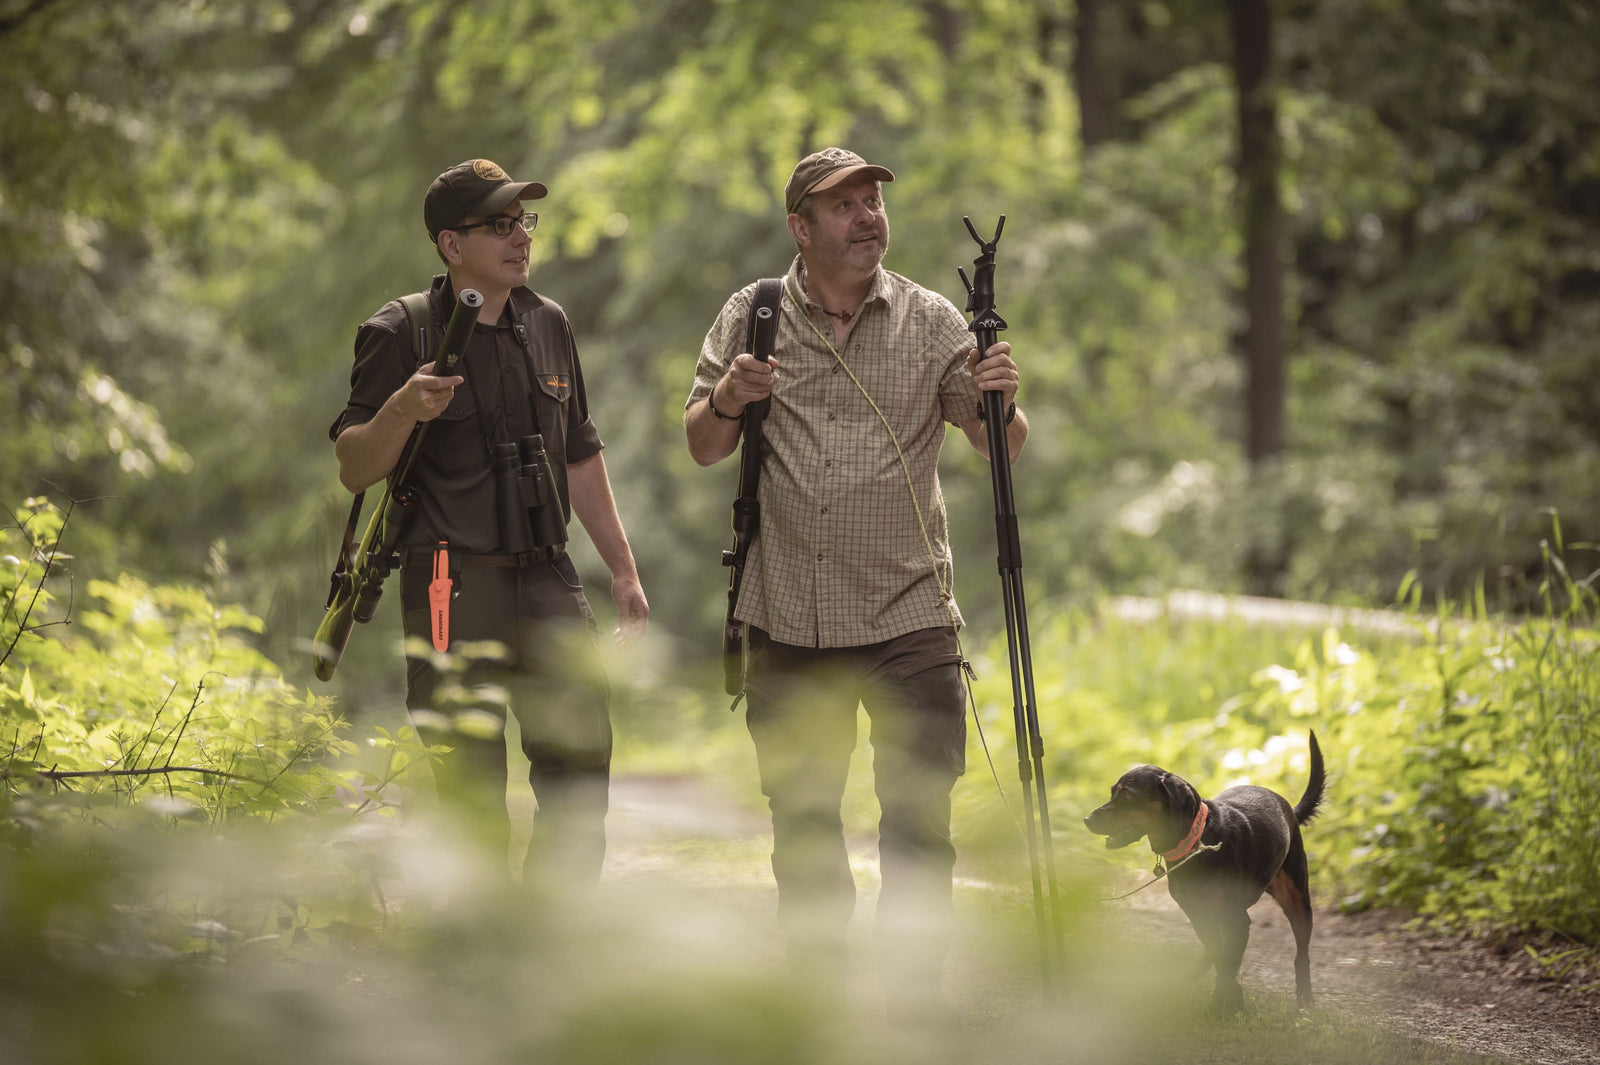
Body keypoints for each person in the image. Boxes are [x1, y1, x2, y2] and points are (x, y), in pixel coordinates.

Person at [683, 147, 1027, 1012]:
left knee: (918, 825)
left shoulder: (934, 319)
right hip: (787, 618)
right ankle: (821, 1009)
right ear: (802, 227)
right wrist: (728, 395)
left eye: (874, 198)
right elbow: (702, 443)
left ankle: (911, 1006)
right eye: (845, 204)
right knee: (803, 829)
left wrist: (1002, 399)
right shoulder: (753, 314)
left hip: (912, 616)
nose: (868, 214)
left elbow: (1000, 450)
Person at [330, 158, 648, 885]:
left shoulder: (548, 322)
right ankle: (479, 965)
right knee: (470, 791)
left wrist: (624, 573)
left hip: (549, 580)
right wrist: (403, 408)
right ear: (450, 244)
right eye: (498, 225)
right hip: (450, 586)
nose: (519, 237)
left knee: (580, 769)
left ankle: (547, 943)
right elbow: (354, 467)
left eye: (522, 221)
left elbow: (581, 454)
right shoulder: (400, 331)